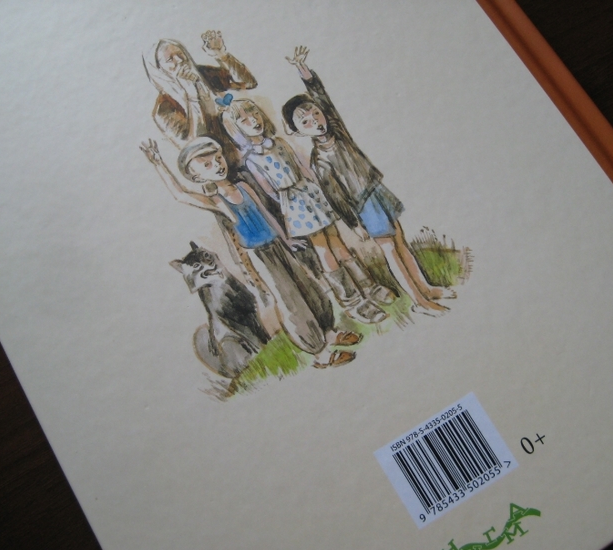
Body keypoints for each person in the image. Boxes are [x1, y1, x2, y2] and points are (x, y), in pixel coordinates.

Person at [140, 136, 360, 368]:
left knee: (307, 286)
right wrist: (158, 163)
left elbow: (267, 214)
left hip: (277, 245)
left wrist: (287, 239)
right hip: (259, 255)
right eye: (207, 165)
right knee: (289, 300)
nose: (217, 164)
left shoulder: (243, 186)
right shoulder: (217, 201)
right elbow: (181, 195)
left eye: (217, 158)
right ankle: (318, 352)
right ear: (197, 176)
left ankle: (329, 332)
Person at [282, 46, 454, 316]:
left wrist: (304, 71)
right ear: (298, 131)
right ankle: (420, 302)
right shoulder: (319, 160)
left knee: (400, 241)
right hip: (363, 205)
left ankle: (426, 288)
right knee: (390, 251)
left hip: (376, 190)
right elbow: (336, 197)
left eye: (315, 113)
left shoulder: (338, 131)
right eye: (305, 121)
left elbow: (323, 97)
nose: (314, 120)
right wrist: (354, 224)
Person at [220, 99, 392, 323]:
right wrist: (292, 204)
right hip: (293, 202)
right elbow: (269, 190)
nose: (253, 120)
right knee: (322, 248)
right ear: (237, 130)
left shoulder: (280, 142)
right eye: (244, 120)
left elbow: (301, 167)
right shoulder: (252, 159)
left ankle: (368, 286)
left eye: (254, 113)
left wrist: (315, 189)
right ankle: (352, 301)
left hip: (310, 192)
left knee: (336, 240)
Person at [143, 31, 257, 156]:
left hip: (250, 147)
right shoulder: (164, 109)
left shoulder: (203, 74)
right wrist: (191, 95)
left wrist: (221, 55)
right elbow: (194, 145)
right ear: (159, 70)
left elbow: (248, 83)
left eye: (180, 54)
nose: (180, 60)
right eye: (170, 59)